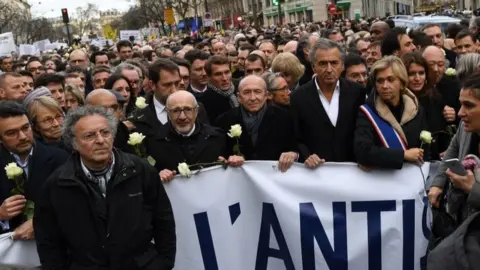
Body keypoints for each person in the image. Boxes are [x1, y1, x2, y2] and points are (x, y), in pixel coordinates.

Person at [34, 106, 176, 269]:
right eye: (89, 136)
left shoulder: (140, 170)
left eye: (105, 132)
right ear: (74, 143)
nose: (100, 140)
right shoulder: (58, 184)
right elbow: (48, 241)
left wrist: (163, 263)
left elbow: (163, 220)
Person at [291, 38, 366, 164]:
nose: (329, 69)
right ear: (313, 66)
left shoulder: (357, 92)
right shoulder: (298, 97)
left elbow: (363, 131)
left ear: (342, 65)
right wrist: (306, 156)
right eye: (323, 63)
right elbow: (295, 137)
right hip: (316, 172)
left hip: (352, 170)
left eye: (334, 63)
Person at [0, 101, 67, 239]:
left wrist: (40, 222)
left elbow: (74, 205)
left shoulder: (60, 158)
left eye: (25, 128)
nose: (23, 137)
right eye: (12, 133)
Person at [354, 56, 426, 169]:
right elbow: (363, 150)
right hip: (381, 181)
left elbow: (427, 149)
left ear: (402, 82)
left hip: (413, 180)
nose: (384, 86)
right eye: (380, 81)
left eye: (390, 79)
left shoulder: (416, 109)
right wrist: (403, 155)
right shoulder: (367, 112)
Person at [156, 90, 244, 181]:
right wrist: (157, 176)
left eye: (188, 109)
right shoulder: (154, 142)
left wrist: (233, 162)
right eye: (176, 111)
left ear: (196, 111)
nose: (182, 117)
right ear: (168, 113)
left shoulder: (217, 138)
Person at [216, 75, 297, 172]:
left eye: (257, 92)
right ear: (239, 97)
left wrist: (293, 154)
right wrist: (228, 159)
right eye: (247, 92)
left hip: (274, 177)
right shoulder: (224, 120)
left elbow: (295, 147)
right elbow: (219, 154)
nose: (253, 98)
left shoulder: (284, 118)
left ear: (266, 95)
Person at [86, 89, 134, 154]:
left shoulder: (127, 133)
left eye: (113, 108)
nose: (110, 114)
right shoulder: (75, 141)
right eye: (102, 109)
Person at [198, 56, 239, 124]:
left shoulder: (241, 88)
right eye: (218, 74)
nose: (224, 78)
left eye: (227, 72)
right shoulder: (204, 101)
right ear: (208, 77)